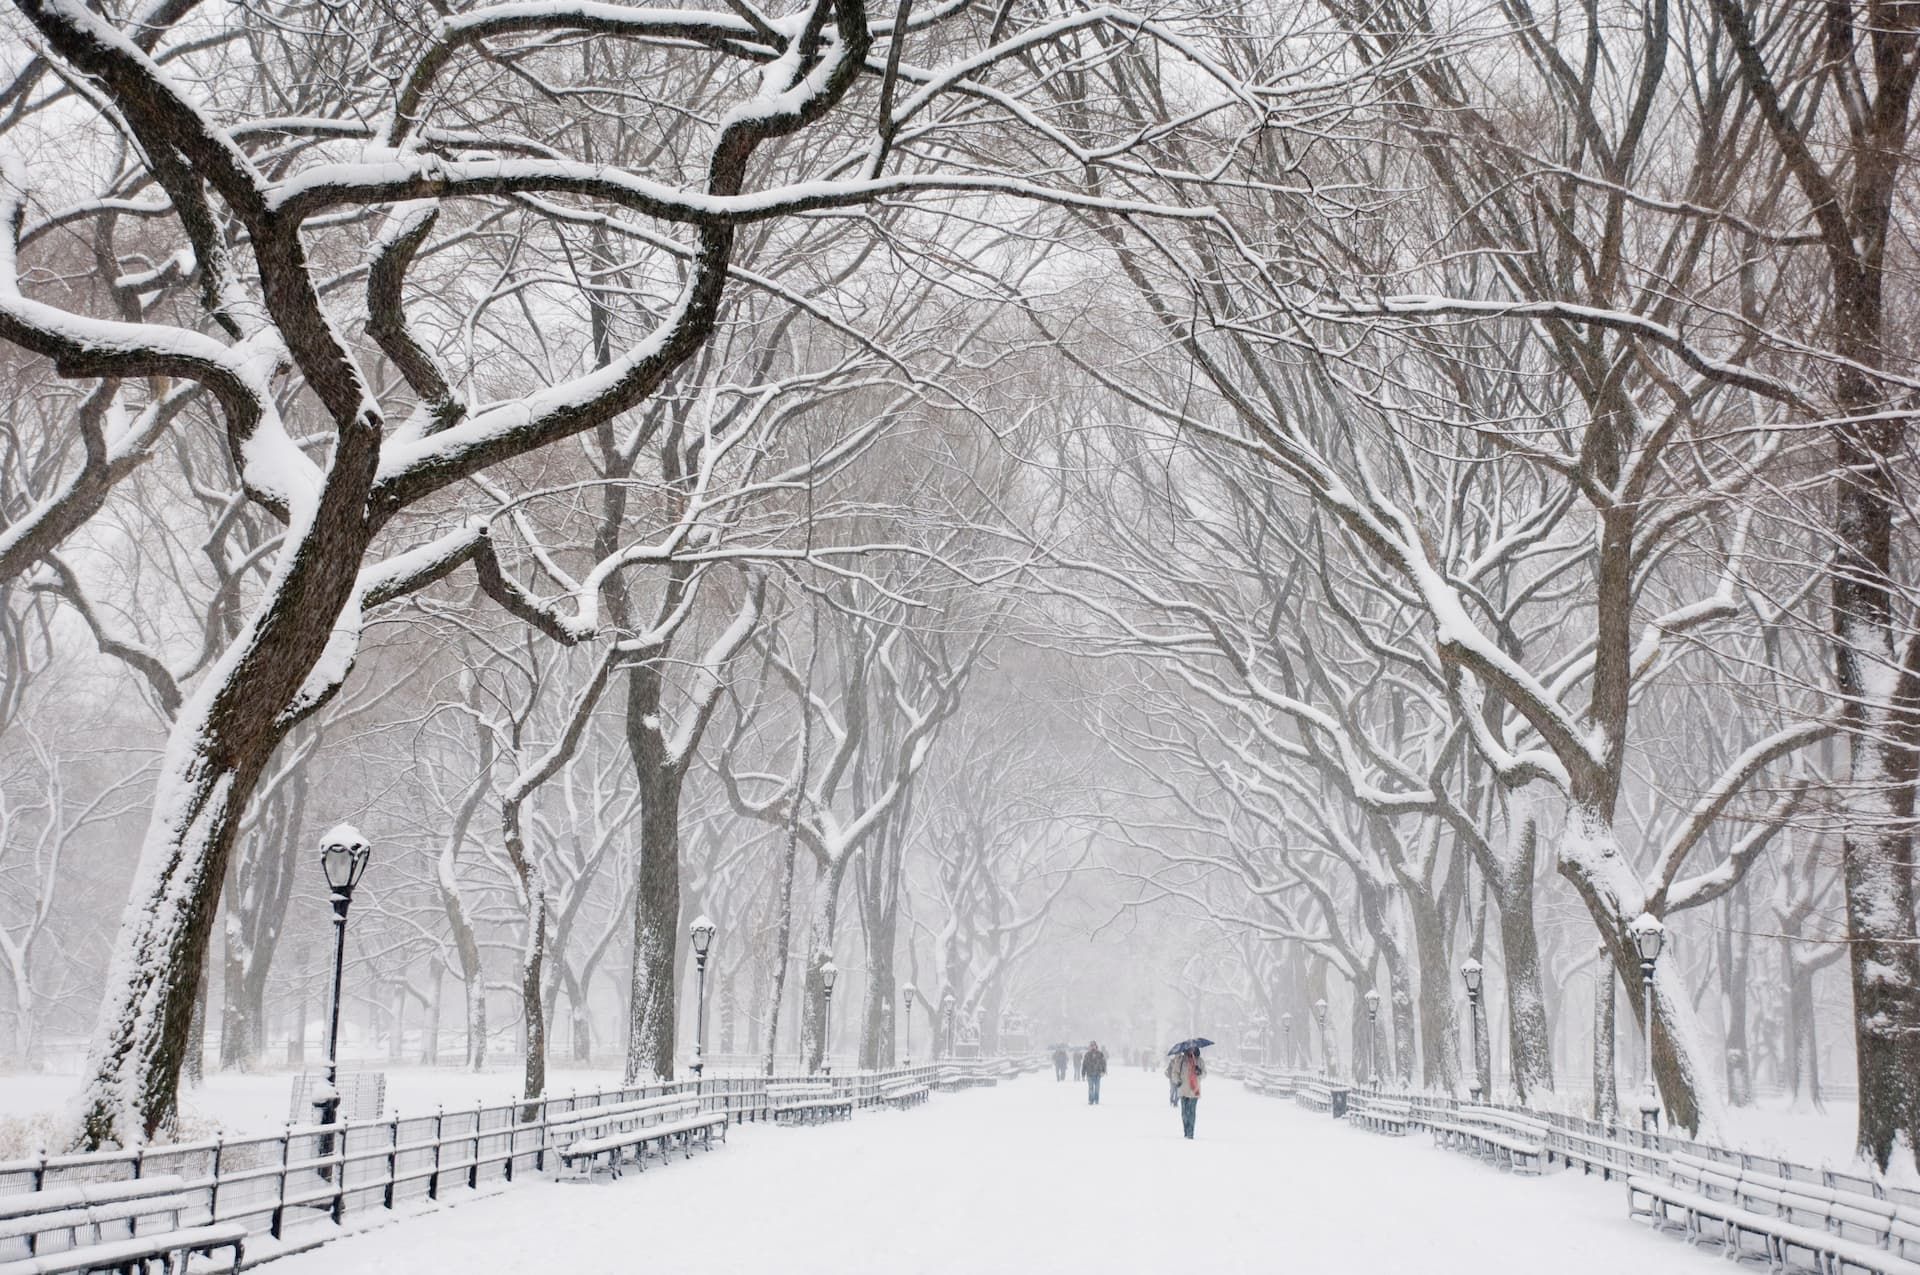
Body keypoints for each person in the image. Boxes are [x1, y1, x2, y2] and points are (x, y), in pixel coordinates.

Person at [1170, 1044, 1204, 1138]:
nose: (1191, 1050)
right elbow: (1175, 1073)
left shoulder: (1199, 1060)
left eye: (1193, 1048)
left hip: (1194, 1090)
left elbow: (1204, 1073)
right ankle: (1186, 1130)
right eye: (1189, 1048)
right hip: (1183, 1089)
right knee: (1184, 1112)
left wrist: (1199, 1072)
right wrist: (1177, 1080)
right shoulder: (1181, 1060)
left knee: (1192, 1112)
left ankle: (1190, 1133)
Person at [1083, 1040, 1107, 1104]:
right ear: (1089, 1047)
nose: (1092, 1047)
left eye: (1093, 1046)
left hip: (1097, 1074)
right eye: (1091, 1046)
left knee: (1097, 1089)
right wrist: (1083, 1073)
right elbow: (1084, 1064)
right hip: (1089, 1074)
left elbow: (1103, 1063)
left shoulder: (1100, 1054)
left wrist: (1103, 1071)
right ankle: (1091, 1100)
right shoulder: (1087, 1055)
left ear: (1096, 1046)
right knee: (1090, 1088)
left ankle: (1096, 1100)